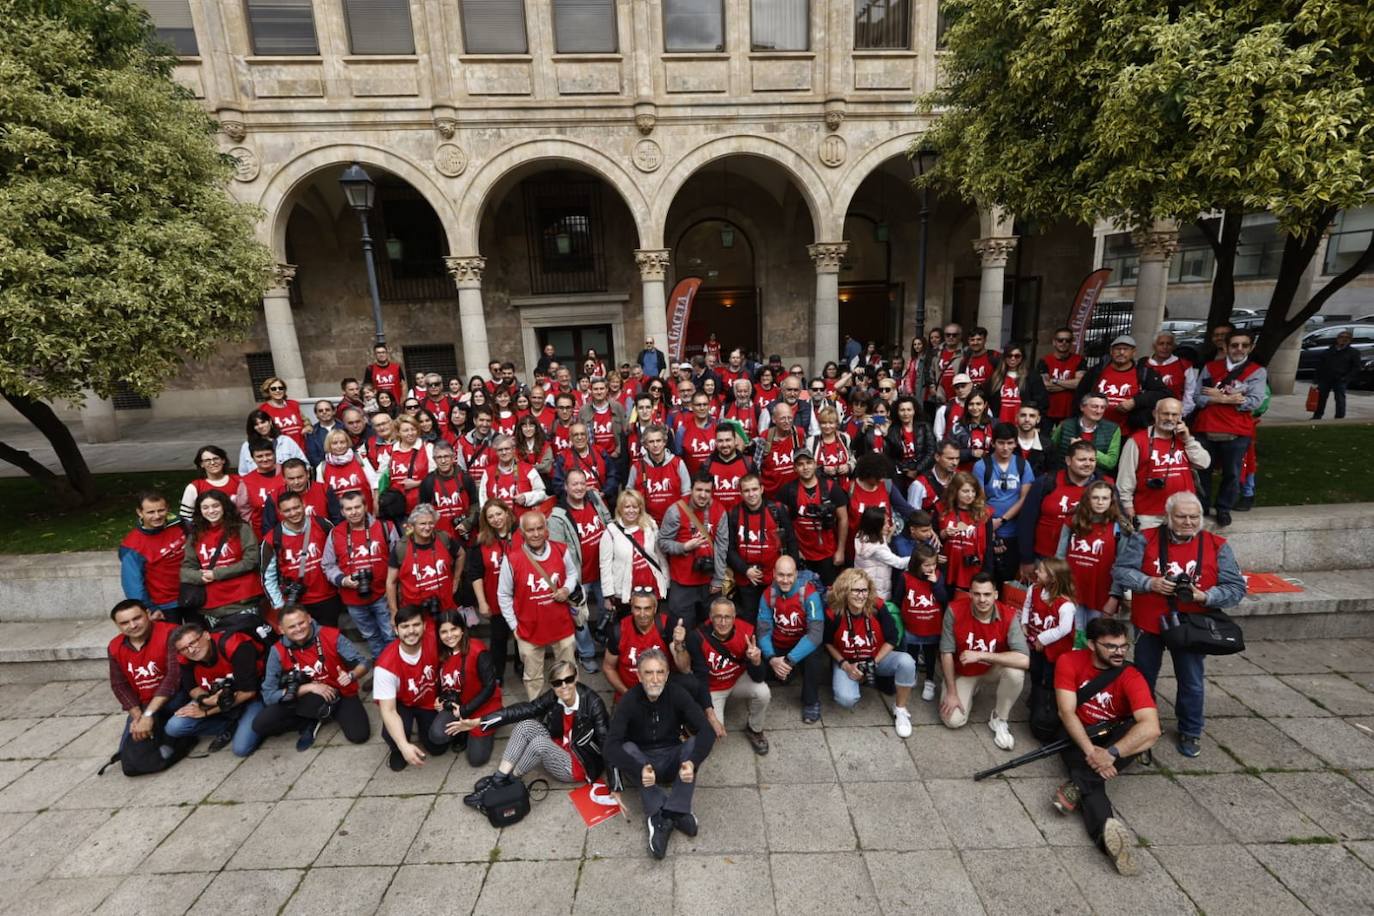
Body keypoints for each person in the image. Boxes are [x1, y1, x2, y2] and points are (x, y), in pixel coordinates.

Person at [1111, 492, 1246, 758]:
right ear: (1167, 517)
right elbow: (1120, 571)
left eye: (1194, 517)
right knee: (1143, 677)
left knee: (1191, 680)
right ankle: (1142, 725)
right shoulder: (1144, 538)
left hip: (1192, 624)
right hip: (1150, 621)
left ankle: (1191, 730)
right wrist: (1150, 583)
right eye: (1181, 516)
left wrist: (1205, 596)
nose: (1188, 522)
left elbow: (1235, 588)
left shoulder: (1217, 544)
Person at [1053, 617, 1162, 876]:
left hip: (1114, 740)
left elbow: (1152, 727)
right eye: (1111, 647)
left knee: (1137, 736)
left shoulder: (1131, 676)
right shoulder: (1069, 661)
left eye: (1124, 646)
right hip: (1078, 734)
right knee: (1091, 778)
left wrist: (1110, 753)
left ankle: (1078, 786)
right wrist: (1092, 753)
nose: (1120, 652)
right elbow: (1066, 712)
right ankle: (1107, 838)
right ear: (1091, 645)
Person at [606, 648, 717, 859]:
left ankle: (675, 809)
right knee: (627, 749)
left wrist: (692, 763)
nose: (655, 679)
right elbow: (610, 745)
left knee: (693, 744)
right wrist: (639, 768)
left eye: (660, 672)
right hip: (644, 764)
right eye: (648, 673)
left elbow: (706, 731)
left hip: (672, 757)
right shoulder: (628, 700)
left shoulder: (677, 693)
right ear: (639, 676)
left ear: (667, 675)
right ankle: (656, 816)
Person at [460, 657, 611, 801]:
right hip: (559, 746)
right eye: (558, 683)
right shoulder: (554, 696)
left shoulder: (593, 703)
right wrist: (481, 721)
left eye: (569, 679)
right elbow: (525, 709)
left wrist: (615, 785)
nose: (564, 686)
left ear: (576, 677)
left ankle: (511, 780)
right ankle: (499, 778)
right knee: (525, 725)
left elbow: (607, 741)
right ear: (552, 685)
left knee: (539, 743)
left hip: (579, 763)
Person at [254, 605, 370, 751]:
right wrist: (307, 687)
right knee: (260, 725)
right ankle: (308, 721)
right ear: (281, 630)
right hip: (302, 696)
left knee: (359, 735)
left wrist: (351, 675)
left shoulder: (331, 635)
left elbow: (363, 663)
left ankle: (326, 713)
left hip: (340, 693)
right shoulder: (277, 650)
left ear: (309, 619)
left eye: (301, 623)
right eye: (291, 627)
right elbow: (268, 695)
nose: (298, 629)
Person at [938, 573, 1029, 750]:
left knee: (1016, 673)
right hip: (963, 671)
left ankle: (1000, 718)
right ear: (970, 593)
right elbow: (946, 652)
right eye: (977, 594)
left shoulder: (1009, 615)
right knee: (953, 720)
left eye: (987, 594)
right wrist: (951, 691)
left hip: (992, 668)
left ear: (995, 594)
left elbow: (1024, 660)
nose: (982, 599)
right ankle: (968, 689)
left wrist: (981, 655)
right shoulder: (954, 610)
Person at [824, 568, 917, 737]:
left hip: (876, 659)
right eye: (856, 590)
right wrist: (844, 665)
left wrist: (873, 663)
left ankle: (901, 709)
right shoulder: (834, 613)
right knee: (846, 699)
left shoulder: (877, 606)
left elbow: (892, 638)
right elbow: (828, 643)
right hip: (848, 661)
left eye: (864, 590)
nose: (861, 595)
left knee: (907, 662)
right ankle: (860, 679)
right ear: (845, 590)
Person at [499, 510, 580, 699]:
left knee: (568, 670)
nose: (535, 534)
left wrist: (567, 589)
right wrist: (514, 626)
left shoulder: (561, 550)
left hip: (561, 624)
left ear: (546, 530)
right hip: (529, 628)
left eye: (539, 528)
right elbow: (503, 595)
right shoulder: (512, 559)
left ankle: (570, 705)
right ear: (522, 533)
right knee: (533, 677)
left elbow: (572, 574)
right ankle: (537, 710)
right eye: (530, 530)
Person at [1191, 329, 1266, 527]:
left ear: (1251, 347)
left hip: (1237, 431)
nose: (1238, 349)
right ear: (1226, 347)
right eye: (1234, 345)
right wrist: (1230, 399)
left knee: (1232, 473)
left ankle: (1223, 508)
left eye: (1244, 345)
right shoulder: (1210, 367)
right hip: (1207, 427)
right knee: (1201, 469)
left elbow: (1255, 401)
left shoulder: (1257, 371)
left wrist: (1219, 398)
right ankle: (1202, 505)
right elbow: (1198, 397)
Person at [107, 599, 184, 774]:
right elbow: (119, 685)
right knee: (128, 751)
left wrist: (148, 714)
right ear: (117, 625)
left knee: (159, 730)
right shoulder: (114, 646)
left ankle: (178, 737)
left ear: (148, 614)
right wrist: (137, 716)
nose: (132, 625)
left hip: (175, 697)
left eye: (137, 618)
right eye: (125, 623)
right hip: (144, 703)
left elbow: (173, 678)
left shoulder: (171, 633)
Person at [166, 621, 265, 757]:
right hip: (216, 698)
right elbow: (192, 688)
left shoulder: (235, 645)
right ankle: (230, 726)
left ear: (206, 635)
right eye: (183, 649)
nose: (191, 650)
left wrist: (207, 712)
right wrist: (205, 700)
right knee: (174, 727)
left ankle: (248, 722)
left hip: (252, 698)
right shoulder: (185, 658)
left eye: (193, 642)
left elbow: (249, 692)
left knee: (241, 749)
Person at [687, 596, 771, 755]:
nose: (723, 622)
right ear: (710, 618)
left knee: (763, 692)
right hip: (713, 688)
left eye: (727, 617)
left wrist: (756, 661)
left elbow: (758, 677)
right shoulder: (697, 637)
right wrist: (711, 716)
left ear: (734, 618)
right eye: (718, 617)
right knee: (712, 734)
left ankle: (755, 729)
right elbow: (700, 678)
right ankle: (696, 719)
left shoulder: (747, 632)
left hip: (737, 679)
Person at [324, 490, 399, 658]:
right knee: (370, 636)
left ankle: (395, 668)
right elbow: (327, 565)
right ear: (342, 512)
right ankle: (381, 668)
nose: (354, 512)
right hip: (353, 598)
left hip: (383, 594)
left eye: (358, 507)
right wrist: (343, 580)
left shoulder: (385, 527)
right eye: (349, 509)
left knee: (390, 634)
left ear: (365, 507)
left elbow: (399, 558)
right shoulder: (335, 534)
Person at [1116, 397, 1210, 529]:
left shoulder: (1184, 439)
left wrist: (1188, 440)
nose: (1170, 418)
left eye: (1175, 414)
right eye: (1165, 413)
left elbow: (1204, 463)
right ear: (1155, 414)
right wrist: (1127, 505)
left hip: (1184, 513)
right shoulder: (1137, 440)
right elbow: (1125, 477)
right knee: (1147, 549)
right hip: (1148, 514)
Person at [715, 473, 795, 624]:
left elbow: (791, 542)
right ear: (740, 492)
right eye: (746, 491)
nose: (751, 494)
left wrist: (790, 573)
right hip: (746, 579)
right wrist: (745, 570)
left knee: (777, 617)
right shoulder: (733, 513)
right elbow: (728, 549)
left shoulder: (776, 510)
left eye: (754, 489)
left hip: (775, 578)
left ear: (762, 489)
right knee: (750, 619)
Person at [756, 557, 828, 723]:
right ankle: (785, 672)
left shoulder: (809, 594)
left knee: (815, 655)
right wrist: (772, 658)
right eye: (781, 575)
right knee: (756, 664)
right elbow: (763, 630)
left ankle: (811, 701)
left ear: (796, 574)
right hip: (779, 645)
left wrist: (789, 660)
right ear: (774, 574)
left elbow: (815, 634)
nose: (785, 580)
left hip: (802, 646)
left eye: (790, 575)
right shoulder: (768, 594)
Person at [1018, 440, 1105, 577]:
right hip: (1045, 560)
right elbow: (1026, 522)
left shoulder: (1105, 487)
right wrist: (1026, 559)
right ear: (1068, 460)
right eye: (1082, 459)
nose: (1088, 463)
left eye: (1092, 459)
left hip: (1086, 561)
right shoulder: (1046, 482)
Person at [373, 605, 445, 771]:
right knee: (393, 734)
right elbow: (388, 711)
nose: (411, 631)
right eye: (405, 626)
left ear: (425, 626)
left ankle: (423, 729)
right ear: (396, 630)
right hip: (402, 703)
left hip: (429, 699)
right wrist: (403, 745)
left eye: (416, 625)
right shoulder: (385, 666)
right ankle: (398, 747)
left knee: (437, 747)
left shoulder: (434, 640)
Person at [428, 610, 502, 766]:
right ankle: (462, 730)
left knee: (476, 759)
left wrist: (465, 710)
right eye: (444, 631)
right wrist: (439, 698)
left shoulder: (477, 650)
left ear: (462, 629)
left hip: (481, 706)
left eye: (454, 629)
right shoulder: (441, 652)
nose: (449, 635)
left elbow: (489, 687)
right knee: (436, 736)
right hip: (457, 705)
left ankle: (487, 725)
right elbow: (442, 682)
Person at [1057, 481, 1132, 634]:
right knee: (1073, 638)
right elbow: (1059, 557)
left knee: (1096, 640)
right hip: (1071, 592)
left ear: (1112, 500)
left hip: (1101, 596)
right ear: (1087, 499)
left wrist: (1114, 598)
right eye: (1095, 497)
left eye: (1105, 498)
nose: (1100, 502)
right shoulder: (1073, 521)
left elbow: (1123, 568)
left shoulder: (1120, 527)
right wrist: (1058, 588)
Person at [180, 490, 262, 628]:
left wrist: (217, 574)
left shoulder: (241, 529)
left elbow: (251, 560)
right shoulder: (195, 536)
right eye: (205, 507)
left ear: (224, 506)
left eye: (215, 506)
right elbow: (185, 571)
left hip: (242, 600)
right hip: (212, 604)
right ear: (200, 511)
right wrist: (200, 576)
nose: (211, 511)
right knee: (221, 644)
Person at [260, 490, 341, 627]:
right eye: (287, 510)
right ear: (280, 512)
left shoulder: (322, 524)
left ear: (303, 504)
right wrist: (281, 607)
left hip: (328, 597)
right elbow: (268, 577)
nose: (293, 513)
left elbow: (340, 554)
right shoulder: (272, 539)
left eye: (296, 507)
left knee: (329, 638)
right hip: (296, 603)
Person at [657, 474, 724, 631]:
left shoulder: (719, 510)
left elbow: (722, 546)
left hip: (708, 583)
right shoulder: (675, 510)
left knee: (708, 629)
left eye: (707, 491)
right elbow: (662, 542)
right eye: (698, 490)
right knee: (681, 628)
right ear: (691, 490)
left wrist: (718, 579)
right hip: (682, 583)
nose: (702, 495)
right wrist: (684, 547)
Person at [603, 589, 695, 698]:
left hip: (663, 693)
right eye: (637, 608)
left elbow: (685, 669)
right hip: (630, 694)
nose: (642, 614)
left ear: (655, 609)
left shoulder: (666, 625)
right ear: (631, 608)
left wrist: (679, 645)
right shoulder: (619, 630)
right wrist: (626, 694)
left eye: (647, 608)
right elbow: (608, 667)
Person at [777, 449, 849, 585]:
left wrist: (840, 550)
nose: (805, 467)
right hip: (802, 554)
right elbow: (782, 524)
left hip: (828, 553)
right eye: (800, 464)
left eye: (809, 463)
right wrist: (793, 551)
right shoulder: (788, 490)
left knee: (830, 594)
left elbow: (843, 519)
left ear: (815, 464)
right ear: (795, 468)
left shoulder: (831, 488)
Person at [1020, 556, 1077, 726]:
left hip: (1056, 648)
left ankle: (1050, 702)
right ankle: (1036, 694)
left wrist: (1042, 639)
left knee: (1051, 674)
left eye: (1041, 570)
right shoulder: (1034, 589)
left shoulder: (1066, 605)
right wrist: (1024, 623)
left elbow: (1064, 629)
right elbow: (1026, 605)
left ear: (1053, 577)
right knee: (1036, 669)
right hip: (1035, 641)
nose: (1036, 571)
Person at [974, 424, 1035, 583]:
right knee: (987, 578)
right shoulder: (982, 465)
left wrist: (1002, 520)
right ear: (993, 443)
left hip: (1014, 531)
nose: (1005, 447)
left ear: (1016, 443)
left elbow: (1025, 499)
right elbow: (979, 499)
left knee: (1008, 580)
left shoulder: (1023, 465)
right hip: (987, 528)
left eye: (1010, 443)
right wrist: (989, 525)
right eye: (1001, 443)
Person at [600, 489, 670, 621]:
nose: (631, 510)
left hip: (651, 583)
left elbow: (660, 555)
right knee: (628, 626)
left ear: (640, 508)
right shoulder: (611, 531)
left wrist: (666, 579)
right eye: (627, 507)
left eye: (635, 506)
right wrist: (608, 594)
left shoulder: (650, 524)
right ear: (620, 509)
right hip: (625, 590)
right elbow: (605, 565)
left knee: (652, 623)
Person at [1074, 334, 1169, 432]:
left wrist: (1135, 402)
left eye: (1126, 349)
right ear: (1111, 351)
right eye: (1118, 349)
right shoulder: (1097, 371)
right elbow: (1080, 395)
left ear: (1133, 352)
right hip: (1095, 430)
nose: (1121, 352)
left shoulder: (1144, 373)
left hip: (1128, 431)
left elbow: (1163, 394)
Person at [120, 491, 189, 620]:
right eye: (150, 512)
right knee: (170, 639)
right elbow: (133, 584)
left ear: (167, 508)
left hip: (193, 596)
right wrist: (148, 608)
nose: (157, 516)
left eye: (161, 510)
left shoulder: (182, 525)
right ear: (140, 512)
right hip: (165, 606)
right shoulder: (132, 545)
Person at [386, 504, 461, 617]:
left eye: (431, 523)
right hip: (414, 615)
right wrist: (393, 612)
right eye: (422, 524)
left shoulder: (443, 538)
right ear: (413, 525)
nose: (427, 527)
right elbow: (391, 582)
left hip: (446, 608)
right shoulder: (401, 548)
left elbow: (461, 554)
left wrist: (456, 579)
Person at [897, 544, 949, 701]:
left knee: (930, 656)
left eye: (933, 564)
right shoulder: (905, 577)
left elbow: (944, 598)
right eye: (926, 565)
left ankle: (930, 680)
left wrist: (935, 583)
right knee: (911, 652)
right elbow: (897, 599)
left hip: (932, 627)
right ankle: (911, 675)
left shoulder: (938, 576)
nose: (931, 568)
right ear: (916, 564)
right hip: (911, 627)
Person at [935, 472, 995, 591]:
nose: (970, 495)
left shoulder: (985, 513)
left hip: (975, 569)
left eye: (973, 491)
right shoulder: (941, 509)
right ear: (955, 491)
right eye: (965, 491)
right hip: (948, 567)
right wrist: (944, 534)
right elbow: (931, 537)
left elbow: (988, 545)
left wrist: (987, 572)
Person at [626, 423, 691, 523]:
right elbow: (629, 496)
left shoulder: (678, 463)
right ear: (645, 445)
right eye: (651, 442)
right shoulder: (636, 467)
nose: (655, 445)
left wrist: (679, 517)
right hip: (647, 523)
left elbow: (686, 494)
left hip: (675, 522)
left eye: (658, 441)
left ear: (664, 442)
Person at [418, 439, 480, 541]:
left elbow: (476, 505)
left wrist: (468, 523)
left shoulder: (465, 478)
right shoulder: (428, 482)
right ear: (434, 459)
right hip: (440, 538)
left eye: (446, 456)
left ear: (453, 457)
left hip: (465, 535)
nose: (443, 461)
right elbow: (423, 512)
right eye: (439, 457)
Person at [1051, 392, 1122, 473]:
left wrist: (1085, 448)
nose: (1099, 411)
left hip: (1096, 477)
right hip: (1066, 473)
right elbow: (1051, 449)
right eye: (1094, 407)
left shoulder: (1112, 429)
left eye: (1102, 407)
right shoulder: (1066, 425)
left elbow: (1111, 462)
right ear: (1082, 407)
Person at [853, 507, 910, 602]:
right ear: (876, 526)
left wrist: (889, 535)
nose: (888, 525)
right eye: (885, 524)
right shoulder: (878, 550)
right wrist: (918, 557)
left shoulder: (862, 535)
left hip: (865, 589)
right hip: (878, 596)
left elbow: (882, 544)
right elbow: (899, 563)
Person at [316, 428, 378, 513]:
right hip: (340, 517)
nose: (339, 446)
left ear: (347, 443)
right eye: (335, 443)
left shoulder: (360, 459)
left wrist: (376, 509)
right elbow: (321, 497)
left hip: (366, 512)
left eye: (342, 442)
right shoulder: (322, 467)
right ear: (328, 445)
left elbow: (375, 486)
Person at [237, 438, 288, 534]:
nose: (265, 459)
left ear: (274, 454)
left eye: (268, 455)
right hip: (261, 534)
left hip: (291, 530)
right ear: (253, 458)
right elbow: (244, 511)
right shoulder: (246, 481)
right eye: (259, 456)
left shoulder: (287, 472)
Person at [702, 423, 754, 512]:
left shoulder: (749, 463)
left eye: (728, 440)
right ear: (716, 442)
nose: (724, 444)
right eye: (720, 441)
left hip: (742, 517)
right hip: (716, 519)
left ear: (735, 441)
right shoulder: (706, 465)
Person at [237, 409, 307, 475]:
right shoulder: (246, 446)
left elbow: (304, 463)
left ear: (270, 421)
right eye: (256, 424)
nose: (260, 426)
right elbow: (243, 472)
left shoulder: (286, 441)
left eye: (263, 422)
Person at [1039, 328, 1086, 427]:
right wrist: (1070, 384)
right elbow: (1046, 386)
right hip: (1048, 411)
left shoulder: (1079, 360)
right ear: (1054, 342)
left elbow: (1080, 384)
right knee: (1045, 441)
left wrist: (1055, 381)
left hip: (1071, 411)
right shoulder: (1044, 360)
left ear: (1071, 342)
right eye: (1060, 340)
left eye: (1067, 340)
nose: (1064, 342)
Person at [180, 445, 239, 521]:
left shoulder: (238, 481)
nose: (212, 462)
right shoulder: (195, 487)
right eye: (207, 460)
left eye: (216, 458)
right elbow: (185, 517)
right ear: (202, 464)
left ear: (223, 460)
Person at [1312, 328, 1360, 419]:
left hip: (1340, 379)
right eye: (1341, 337)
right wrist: (1316, 379)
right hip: (1325, 378)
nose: (1343, 339)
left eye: (1347, 338)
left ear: (1349, 340)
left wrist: (1346, 378)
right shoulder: (1329, 351)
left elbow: (1356, 367)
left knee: (1340, 399)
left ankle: (1339, 417)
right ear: (1337, 339)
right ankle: (1317, 415)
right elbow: (1320, 366)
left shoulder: (1353, 352)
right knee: (1321, 398)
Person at [258, 377, 311, 452]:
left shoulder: (293, 404)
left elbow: (305, 420)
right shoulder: (263, 409)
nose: (278, 391)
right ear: (268, 391)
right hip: (280, 450)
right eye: (273, 389)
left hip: (301, 447)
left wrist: (307, 427)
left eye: (280, 388)